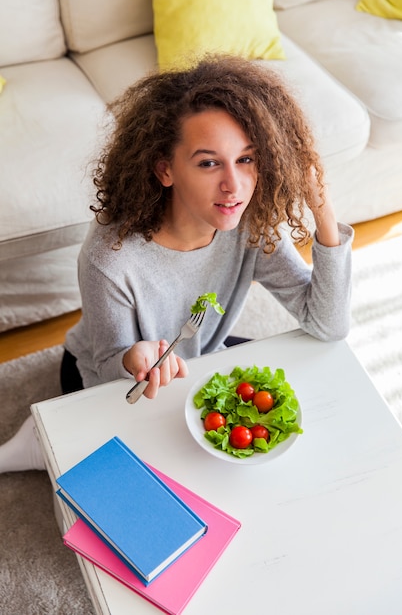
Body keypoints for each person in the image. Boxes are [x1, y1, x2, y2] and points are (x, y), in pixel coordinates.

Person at [0, 54, 353, 472]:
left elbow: (328, 324)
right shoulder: (109, 256)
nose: (233, 185)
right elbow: (110, 367)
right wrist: (134, 357)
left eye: (246, 159)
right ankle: (32, 444)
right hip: (108, 376)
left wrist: (324, 215)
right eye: (208, 163)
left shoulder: (250, 223)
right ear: (165, 169)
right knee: (131, 473)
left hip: (198, 359)